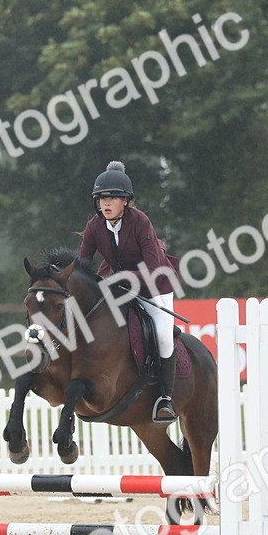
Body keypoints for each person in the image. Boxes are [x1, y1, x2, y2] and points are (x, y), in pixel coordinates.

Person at [78, 160, 178, 423]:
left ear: (125, 201)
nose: (105, 203)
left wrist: (120, 277)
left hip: (155, 286)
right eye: (101, 199)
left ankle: (165, 399)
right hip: (118, 284)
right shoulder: (95, 226)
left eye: (112, 198)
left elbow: (153, 268)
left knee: (163, 336)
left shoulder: (140, 222)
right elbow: (83, 263)